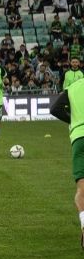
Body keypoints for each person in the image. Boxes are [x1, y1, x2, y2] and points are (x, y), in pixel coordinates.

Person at [49, 79, 84, 248]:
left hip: (79, 138)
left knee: (82, 189)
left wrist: (73, 121)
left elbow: (55, 109)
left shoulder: (73, 87)